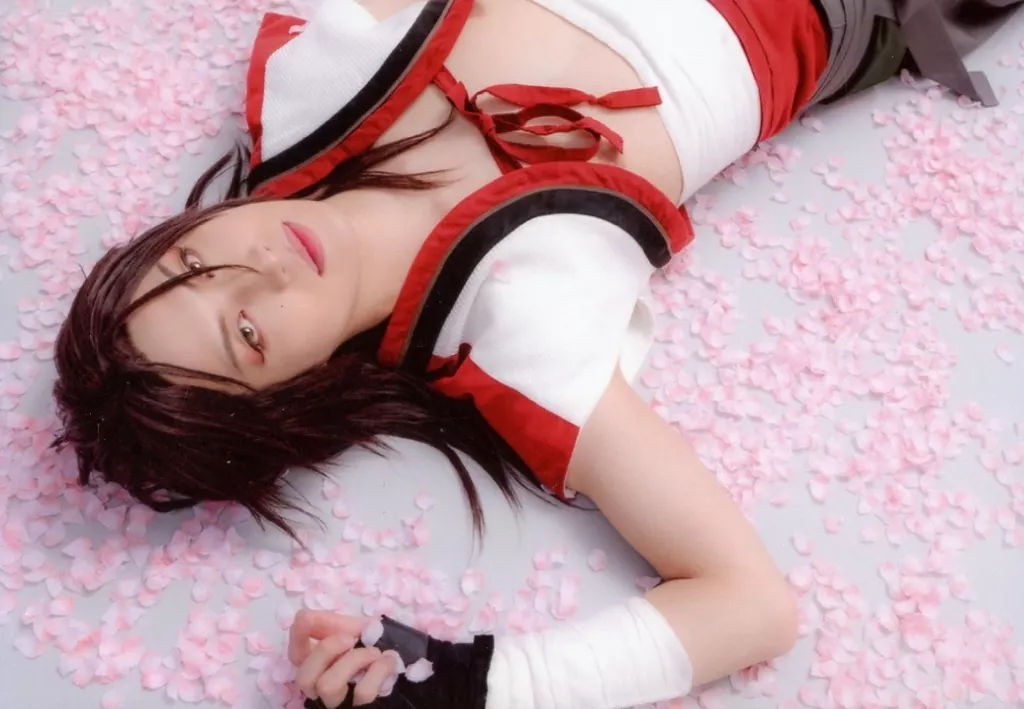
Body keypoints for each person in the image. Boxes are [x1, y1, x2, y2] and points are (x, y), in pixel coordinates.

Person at [52, 0, 1021, 707]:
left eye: (192, 261)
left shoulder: (312, 82)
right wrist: (472, 682)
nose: (257, 267)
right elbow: (752, 606)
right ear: (287, 396)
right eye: (247, 333)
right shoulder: (518, 331)